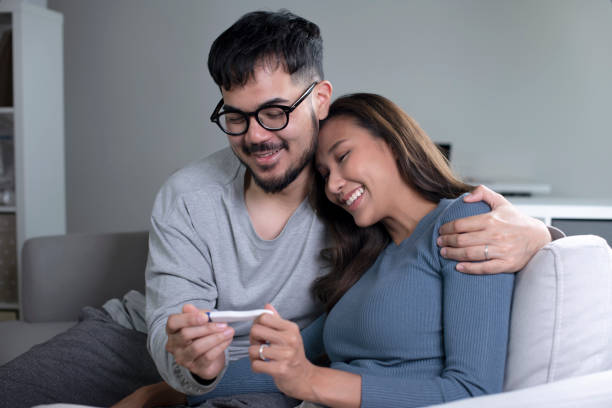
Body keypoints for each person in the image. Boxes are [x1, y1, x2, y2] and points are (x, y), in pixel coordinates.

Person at [0, 9, 555, 408]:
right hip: (156, 344)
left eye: (273, 112)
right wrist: (175, 381)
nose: (256, 136)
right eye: (236, 116)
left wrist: (538, 236)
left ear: (318, 98)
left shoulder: (357, 199)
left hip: (268, 369)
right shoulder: (190, 193)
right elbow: (172, 331)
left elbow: (457, 230)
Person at [242, 92, 513, 408]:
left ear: (392, 142)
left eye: (342, 157)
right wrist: (191, 384)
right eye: (324, 174)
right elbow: (281, 367)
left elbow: (473, 393)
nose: (332, 186)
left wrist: (312, 381)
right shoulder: (366, 261)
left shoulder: (462, 219)